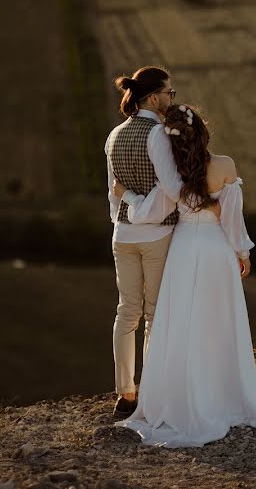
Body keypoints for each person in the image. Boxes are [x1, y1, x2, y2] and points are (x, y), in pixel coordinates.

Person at [112, 103, 256, 447]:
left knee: (181, 322)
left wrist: (125, 194)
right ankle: (221, 393)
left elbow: (157, 209)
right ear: (203, 132)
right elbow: (231, 217)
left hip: (181, 250)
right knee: (217, 322)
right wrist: (242, 252)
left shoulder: (173, 171)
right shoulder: (224, 165)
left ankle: (180, 394)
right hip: (214, 251)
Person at [104, 66, 181, 418]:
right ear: (153, 97)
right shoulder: (159, 135)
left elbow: (112, 195)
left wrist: (124, 216)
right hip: (156, 234)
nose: (171, 99)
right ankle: (149, 392)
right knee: (153, 315)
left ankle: (126, 393)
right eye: (169, 93)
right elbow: (172, 190)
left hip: (122, 235)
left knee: (126, 312)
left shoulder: (114, 135)